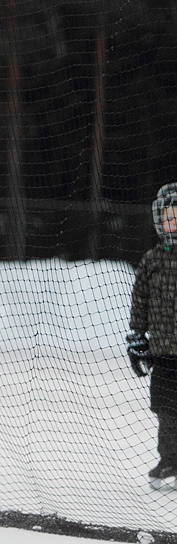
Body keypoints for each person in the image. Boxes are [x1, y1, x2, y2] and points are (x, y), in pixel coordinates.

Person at [127, 182, 177, 489]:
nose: (174, 222)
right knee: (166, 409)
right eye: (169, 217)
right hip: (164, 353)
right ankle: (170, 461)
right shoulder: (152, 260)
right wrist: (137, 338)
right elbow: (140, 301)